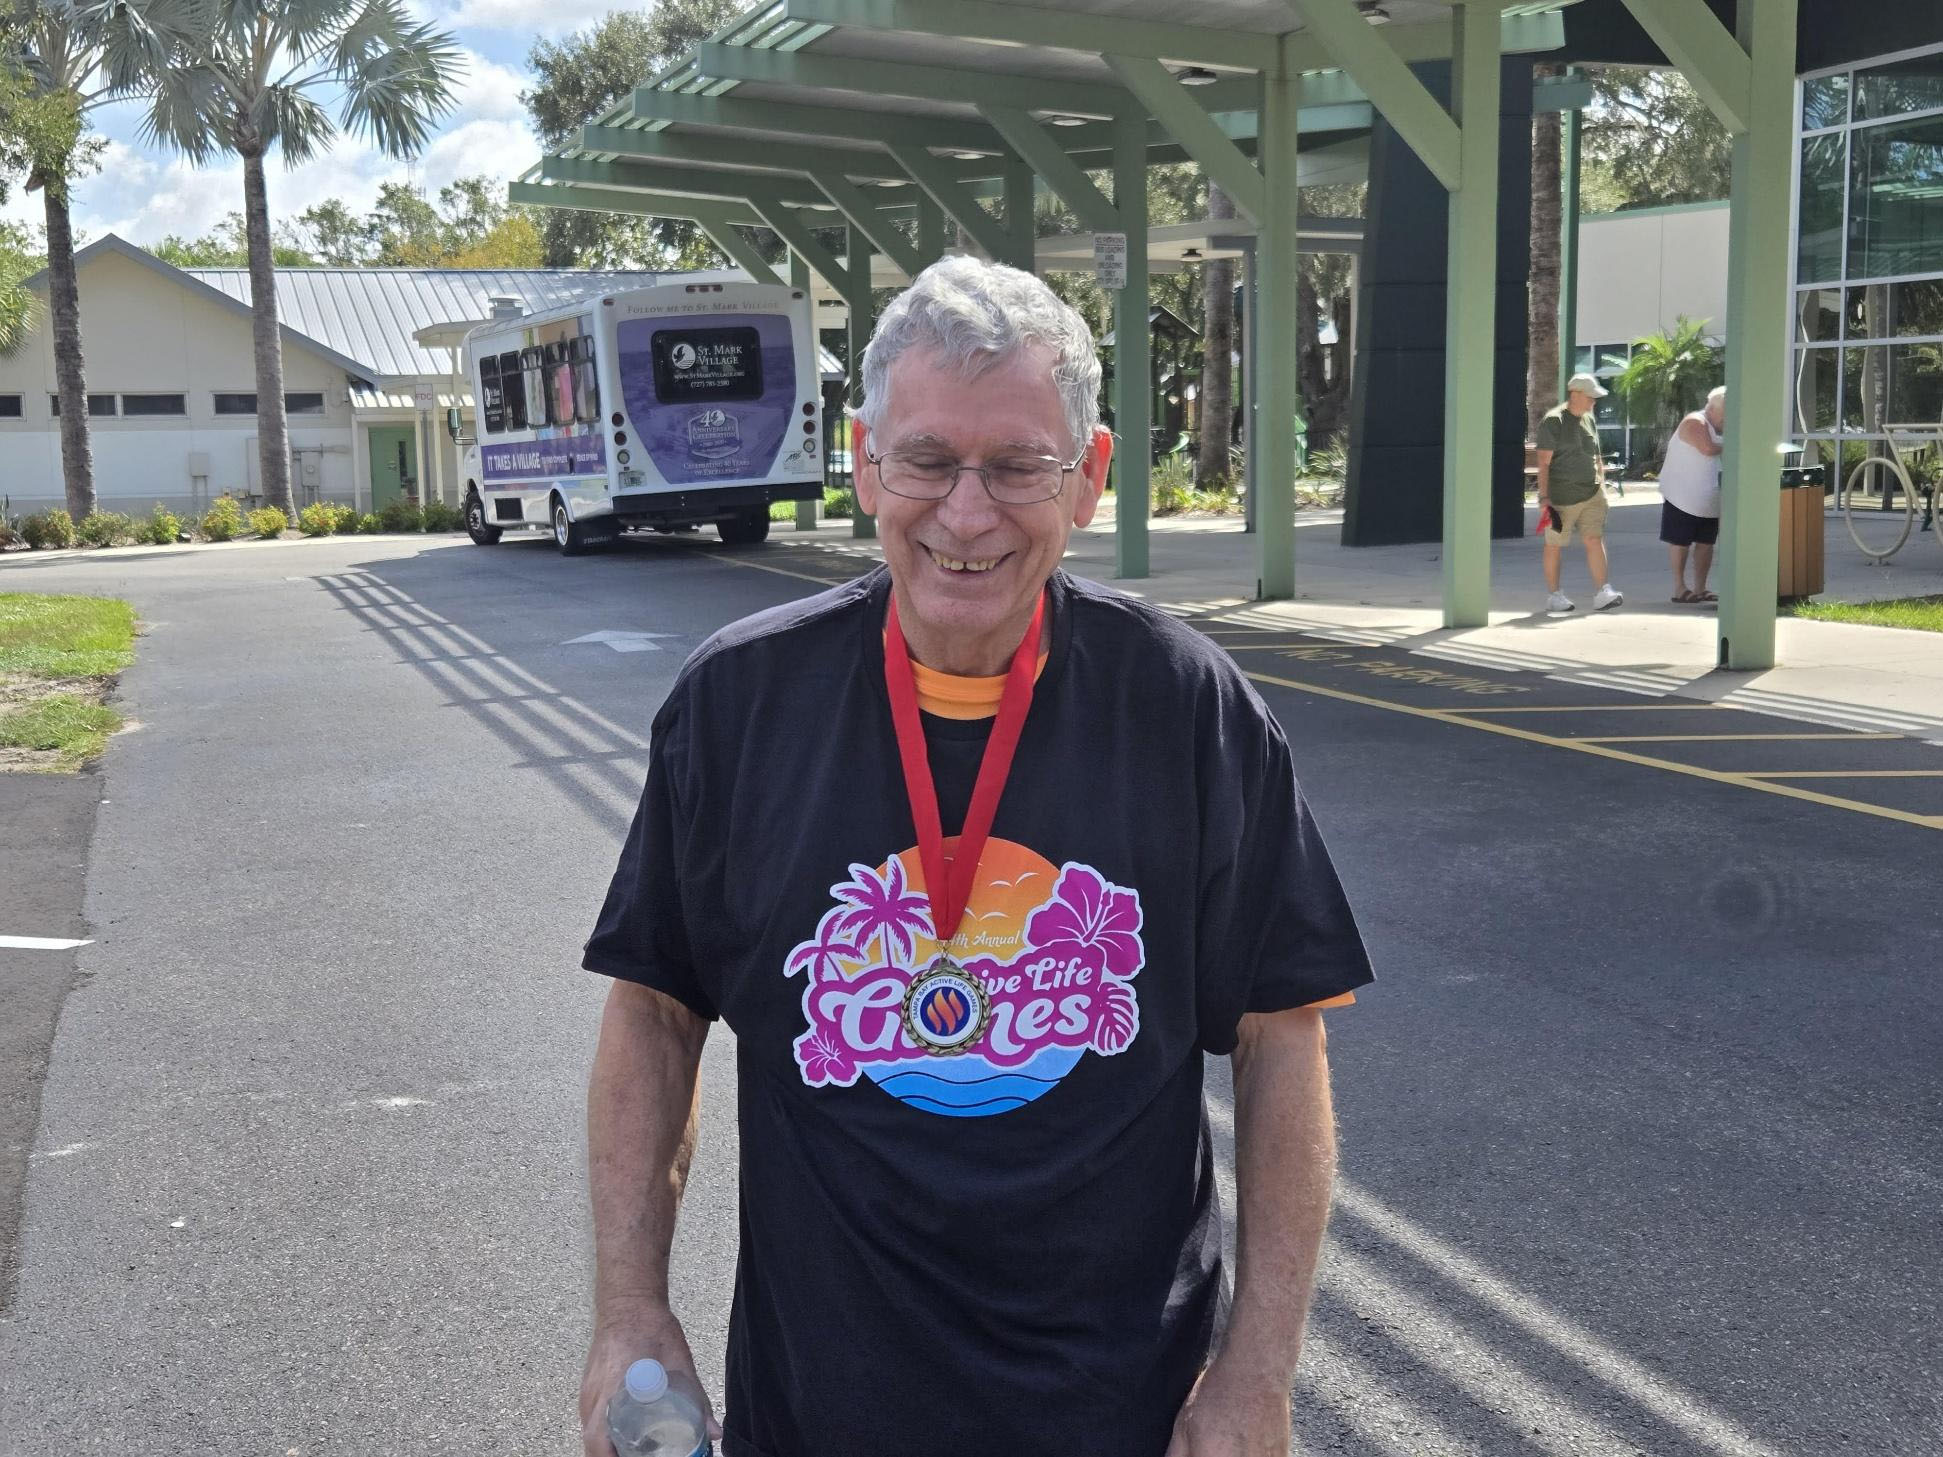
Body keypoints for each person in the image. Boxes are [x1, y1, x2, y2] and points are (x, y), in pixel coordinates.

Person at [578, 255, 1374, 1457]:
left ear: (1090, 476)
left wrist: (1255, 1372)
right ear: (863, 462)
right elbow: (653, 1010)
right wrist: (630, 1313)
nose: (965, 512)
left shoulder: (1181, 707)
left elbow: (1280, 1034)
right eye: (928, 460)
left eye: (1015, 466)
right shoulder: (741, 704)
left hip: (1121, 1416)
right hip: (821, 1415)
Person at [1535, 374, 1624, 615]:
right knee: (1554, 545)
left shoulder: (1589, 420)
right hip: (1560, 498)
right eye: (1591, 397)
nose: (1594, 402)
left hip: (1593, 494)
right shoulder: (1553, 422)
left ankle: (1603, 592)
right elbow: (1544, 464)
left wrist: (1603, 489)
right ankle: (1555, 596)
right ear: (1575, 394)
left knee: (1594, 539)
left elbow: (1596, 457)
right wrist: (1544, 499)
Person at [1658, 387, 1726, 603]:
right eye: (1724, 417)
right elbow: (1707, 448)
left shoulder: (1719, 427)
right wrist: (1733, 443)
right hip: (1682, 497)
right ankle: (1679, 587)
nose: (1726, 422)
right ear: (1713, 409)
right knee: (1681, 542)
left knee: (1706, 544)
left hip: (1709, 500)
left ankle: (1700, 588)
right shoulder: (1694, 421)